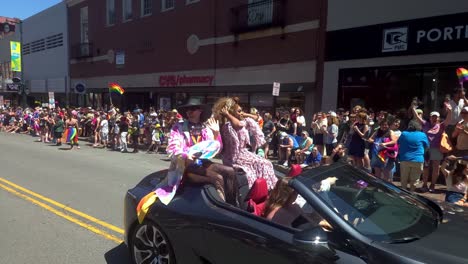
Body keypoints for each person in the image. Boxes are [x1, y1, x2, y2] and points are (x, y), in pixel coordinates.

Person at [167, 97, 240, 206]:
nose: (189, 112)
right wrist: (185, 155)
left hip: (201, 163)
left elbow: (216, 149)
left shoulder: (205, 128)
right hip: (185, 166)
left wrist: (216, 134)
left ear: (200, 111)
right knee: (217, 178)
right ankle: (221, 209)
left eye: (193, 109)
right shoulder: (179, 127)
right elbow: (172, 148)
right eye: (187, 110)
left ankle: (233, 205)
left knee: (230, 171)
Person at [212, 97, 277, 190]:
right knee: (255, 167)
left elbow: (257, 118)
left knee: (266, 163)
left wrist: (244, 113)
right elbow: (238, 125)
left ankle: (266, 189)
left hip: (243, 153)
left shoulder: (241, 121)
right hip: (233, 157)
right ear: (231, 112)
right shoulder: (227, 126)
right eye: (238, 111)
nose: (241, 113)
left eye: (241, 110)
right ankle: (255, 190)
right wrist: (227, 114)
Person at [263, 165, 332, 230]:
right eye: (296, 192)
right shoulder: (276, 214)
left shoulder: (294, 206)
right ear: (289, 194)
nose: (298, 193)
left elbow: (310, 221)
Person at [411, 103, 452, 192]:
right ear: (430, 117)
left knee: (436, 168)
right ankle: (425, 184)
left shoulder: (441, 125)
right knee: (426, 168)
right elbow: (417, 117)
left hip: (436, 150)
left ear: (438, 118)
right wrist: (413, 108)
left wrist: (450, 111)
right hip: (426, 149)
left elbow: (448, 119)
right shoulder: (425, 124)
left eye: (436, 117)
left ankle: (432, 185)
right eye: (433, 117)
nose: (434, 118)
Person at [397, 120, 429, 192]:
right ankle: (412, 193)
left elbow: (398, 143)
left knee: (404, 178)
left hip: (404, 159)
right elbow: (427, 146)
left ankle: (403, 193)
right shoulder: (422, 135)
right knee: (415, 179)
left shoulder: (404, 134)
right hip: (418, 159)